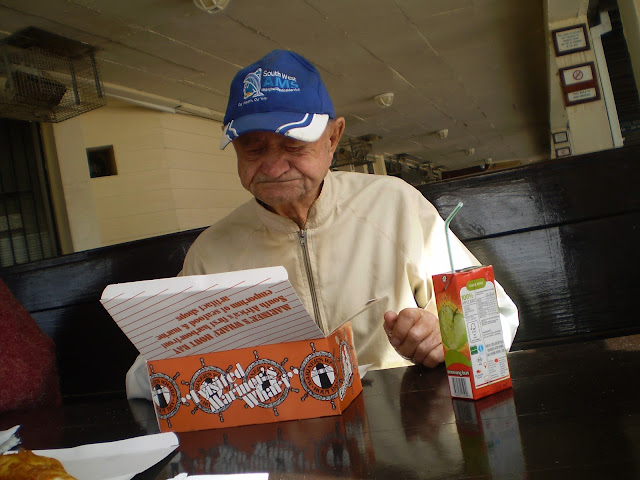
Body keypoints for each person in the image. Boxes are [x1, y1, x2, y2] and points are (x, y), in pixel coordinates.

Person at [126, 49, 518, 399]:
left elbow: (495, 312)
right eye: (253, 148)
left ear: (334, 137)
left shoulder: (394, 203)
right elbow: (145, 380)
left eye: (294, 145)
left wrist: (444, 334)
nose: (275, 166)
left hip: (405, 434)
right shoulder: (210, 254)